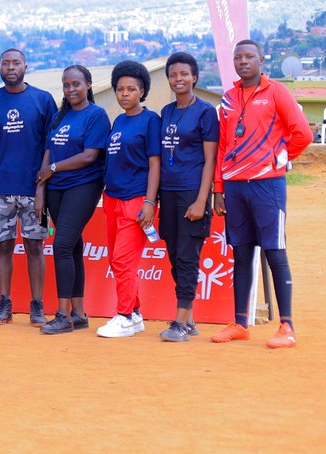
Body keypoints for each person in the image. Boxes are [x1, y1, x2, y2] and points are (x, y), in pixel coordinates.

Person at [211, 39, 312, 348]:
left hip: (268, 185)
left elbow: (303, 134)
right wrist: (219, 188)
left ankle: (287, 327)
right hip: (235, 187)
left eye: (249, 56)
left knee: (274, 252)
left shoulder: (276, 92)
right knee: (240, 253)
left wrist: (277, 159)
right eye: (238, 57)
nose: (243, 61)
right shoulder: (228, 99)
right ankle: (240, 323)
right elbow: (224, 147)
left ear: (261, 60)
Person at [0, 48, 57, 326]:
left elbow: (51, 146)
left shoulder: (43, 100)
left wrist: (42, 188)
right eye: (5, 63)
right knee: (3, 248)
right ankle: (4, 305)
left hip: (33, 189)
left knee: (35, 247)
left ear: (26, 66)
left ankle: (37, 306)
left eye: (16, 63)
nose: (11, 67)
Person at [35, 65, 109, 335]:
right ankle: (79, 314)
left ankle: (62, 315)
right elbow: (48, 151)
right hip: (56, 189)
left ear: (88, 84)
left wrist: (54, 169)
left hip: (84, 186)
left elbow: (90, 156)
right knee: (74, 247)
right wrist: (41, 188)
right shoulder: (59, 116)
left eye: (76, 84)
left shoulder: (96, 115)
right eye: (66, 85)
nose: (71, 89)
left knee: (62, 245)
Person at [96, 61, 161, 338]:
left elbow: (155, 164)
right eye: (120, 89)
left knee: (124, 260)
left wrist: (150, 201)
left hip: (137, 200)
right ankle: (134, 313)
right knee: (115, 260)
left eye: (131, 89)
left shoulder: (150, 120)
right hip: (112, 198)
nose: (125, 94)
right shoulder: (119, 121)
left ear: (142, 91)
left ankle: (123, 315)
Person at [157, 52, 218, 342]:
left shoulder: (206, 112)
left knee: (187, 257)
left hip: (192, 193)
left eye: (184, 74)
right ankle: (189, 319)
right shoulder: (166, 112)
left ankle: (180, 322)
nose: (178, 79)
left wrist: (201, 199)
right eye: (173, 75)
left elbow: (210, 160)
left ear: (194, 77)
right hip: (167, 194)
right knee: (173, 255)